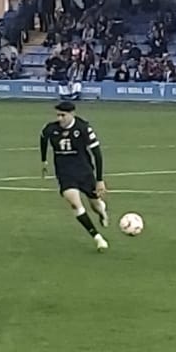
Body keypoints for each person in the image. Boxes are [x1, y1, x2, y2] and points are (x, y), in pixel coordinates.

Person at [40, 100, 110, 252]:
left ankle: (101, 210)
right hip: (65, 173)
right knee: (74, 203)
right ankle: (98, 238)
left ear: (72, 114)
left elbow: (97, 153)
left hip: (84, 171)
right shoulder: (51, 129)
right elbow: (43, 138)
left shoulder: (83, 128)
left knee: (95, 204)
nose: (60, 119)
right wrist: (44, 160)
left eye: (63, 115)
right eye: (58, 115)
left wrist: (99, 180)